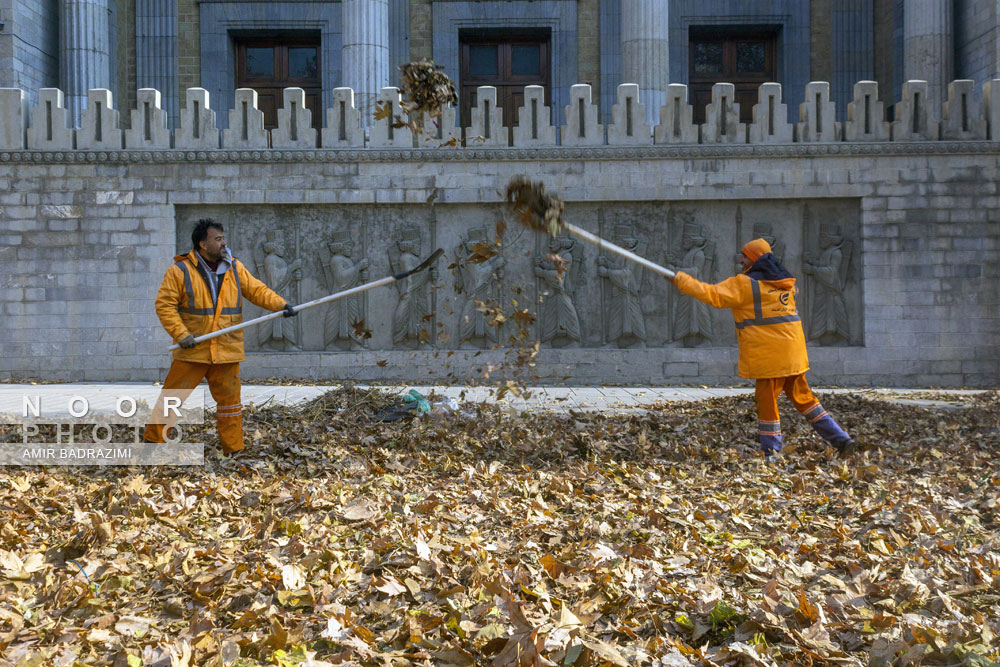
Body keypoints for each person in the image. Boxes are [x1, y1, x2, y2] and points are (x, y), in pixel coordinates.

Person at [669, 238, 856, 459]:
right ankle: (840, 438)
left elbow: (713, 295)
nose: (740, 259)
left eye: (745, 256)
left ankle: (771, 452)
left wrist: (681, 279)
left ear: (755, 259)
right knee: (805, 400)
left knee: (767, 405)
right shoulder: (784, 283)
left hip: (771, 357)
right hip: (794, 353)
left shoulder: (745, 284)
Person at [144, 219, 296, 453]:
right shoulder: (180, 271)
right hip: (192, 350)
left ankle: (233, 449)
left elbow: (257, 290)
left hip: (226, 349)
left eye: (223, 238)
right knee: (171, 400)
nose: (224, 242)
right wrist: (181, 334)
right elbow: (165, 305)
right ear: (203, 244)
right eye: (218, 239)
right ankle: (152, 444)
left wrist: (281, 305)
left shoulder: (234, 267)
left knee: (230, 406)